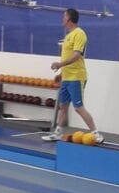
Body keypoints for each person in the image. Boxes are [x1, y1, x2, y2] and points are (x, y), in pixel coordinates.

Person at [43, 7, 103, 142]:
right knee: (63, 107)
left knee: (78, 108)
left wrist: (59, 65)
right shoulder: (68, 36)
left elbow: (76, 56)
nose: (62, 19)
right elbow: (68, 56)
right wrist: (61, 74)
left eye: (64, 16)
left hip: (77, 77)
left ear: (69, 19)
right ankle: (57, 133)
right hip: (67, 78)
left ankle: (96, 133)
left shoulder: (79, 34)